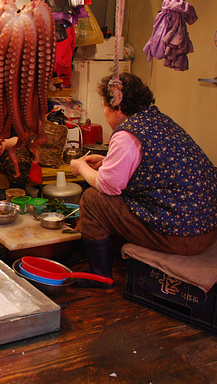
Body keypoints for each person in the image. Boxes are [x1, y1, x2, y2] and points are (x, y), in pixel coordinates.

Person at [70, 73, 217, 288]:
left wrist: (81, 167)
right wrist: (106, 161)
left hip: (184, 235)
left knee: (93, 200)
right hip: (208, 226)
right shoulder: (157, 119)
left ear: (118, 109)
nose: (104, 112)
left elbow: (109, 186)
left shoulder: (127, 134)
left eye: (105, 107)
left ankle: (99, 276)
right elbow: (153, 166)